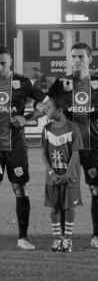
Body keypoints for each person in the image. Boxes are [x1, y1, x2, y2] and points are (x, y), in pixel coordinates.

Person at [48, 42, 98, 249]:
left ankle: (96, 236)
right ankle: (61, 237)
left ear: (90, 59)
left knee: (96, 189)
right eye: (74, 57)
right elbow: (48, 108)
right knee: (63, 190)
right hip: (66, 148)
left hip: (92, 147)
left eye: (81, 57)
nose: (77, 60)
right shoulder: (60, 83)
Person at [0, 46, 48, 249]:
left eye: (3, 62)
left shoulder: (23, 83)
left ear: (11, 61)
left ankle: (23, 237)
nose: (0, 66)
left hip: (16, 147)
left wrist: (26, 118)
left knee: (19, 187)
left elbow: (46, 104)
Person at [41, 96, 83, 253]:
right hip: (52, 177)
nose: (46, 110)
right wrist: (51, 172)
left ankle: (68, 239)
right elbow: (44, 153)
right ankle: (57, 238)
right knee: (55, 207)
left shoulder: (73, 128)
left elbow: (76, 153)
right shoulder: (46, 129)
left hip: (70, 177)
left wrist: (67, 173)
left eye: (49, 107)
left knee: (69, 208)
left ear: (59, 110)